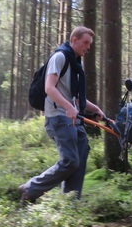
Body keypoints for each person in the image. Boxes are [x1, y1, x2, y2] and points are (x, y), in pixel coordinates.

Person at [19, 26, 105, 203]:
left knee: (80, 158)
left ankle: (69, 204)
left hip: (72, 117)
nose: (88, 47)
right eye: (85, 43)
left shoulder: (77, 63)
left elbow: (75, 97)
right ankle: (29, 189)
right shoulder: (59, 57)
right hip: (58, 117)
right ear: (74, 40)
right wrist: (68, 107)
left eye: (90, 44)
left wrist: (94, 109)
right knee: (70, 161)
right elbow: (49, 88)